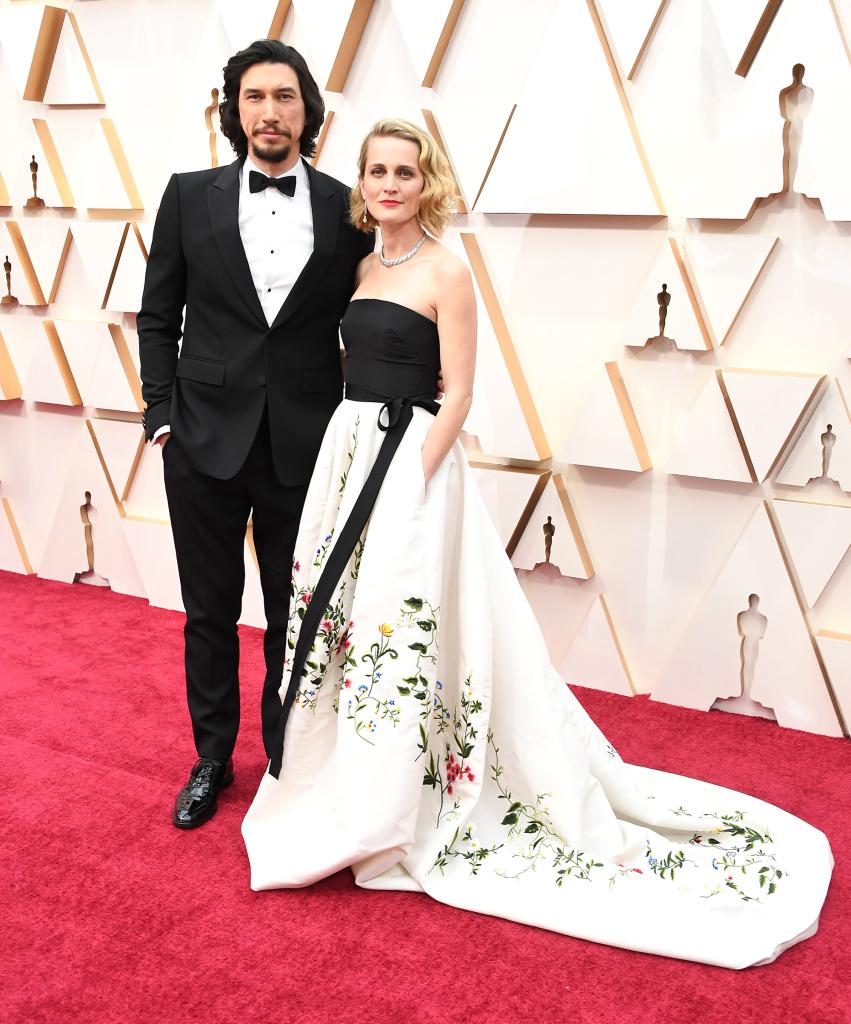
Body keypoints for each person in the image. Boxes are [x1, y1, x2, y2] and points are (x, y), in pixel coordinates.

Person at [242, 119, 833, 968]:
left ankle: (409, 795)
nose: (388, 184)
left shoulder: (448, 271)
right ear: (362, 184)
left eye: (405, 172)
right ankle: (353, 781)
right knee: (347, 629)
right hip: (348, 459)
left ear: (427, 182)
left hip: (410, 469)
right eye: (375, 171)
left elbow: (458, 396)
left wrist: (410, 484)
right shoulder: (361, 267)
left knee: (407, 626)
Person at [138, 40, 374, 829]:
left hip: (304, 444)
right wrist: (160, 413)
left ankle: (285, 758)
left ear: (308, 111)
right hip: (200, 438)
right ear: (233, 110)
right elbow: (157, 314)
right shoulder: (187, 195)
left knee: (291, 612)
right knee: (209, 611)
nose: (269, 112)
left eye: (284, 97)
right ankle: (212, 759)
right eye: (253, 97)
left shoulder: (349, 209)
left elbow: (368, 315)